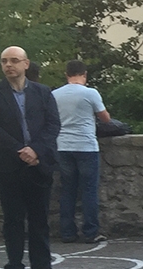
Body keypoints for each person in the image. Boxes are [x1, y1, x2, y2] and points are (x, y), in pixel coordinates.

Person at [0, 46, 62, 269]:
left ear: (26, 64)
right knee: (13, 220)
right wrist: (20, 150)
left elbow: (53, 125)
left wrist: (35, 150)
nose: (8, 65)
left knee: (40, 220)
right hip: (9, 165)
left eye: (14, 61)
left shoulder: (43, 92)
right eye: (4, 61)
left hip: (39, 164)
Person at [52, 59, 111, 244]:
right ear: (84, 75)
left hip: (62, 146)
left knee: (67, 190)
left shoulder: (54, 94)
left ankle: (67, 232)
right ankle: (91, 232)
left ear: (66, 74)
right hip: (86, 146)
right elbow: (106, 118)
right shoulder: (90, 93)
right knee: (88, 190)